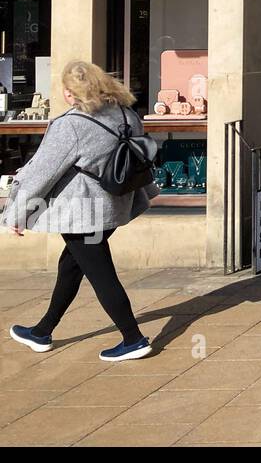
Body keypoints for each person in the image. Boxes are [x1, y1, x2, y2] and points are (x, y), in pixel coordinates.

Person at [3, 61, 159, 361]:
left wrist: (18, 213)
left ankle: (134, 338)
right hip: (114, 206)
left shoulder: (72, 123)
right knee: (72, 265)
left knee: (101, 273)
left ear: (72, 94)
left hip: (83, 215)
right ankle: (42, 331)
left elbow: (41, 173)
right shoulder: (126, 113)